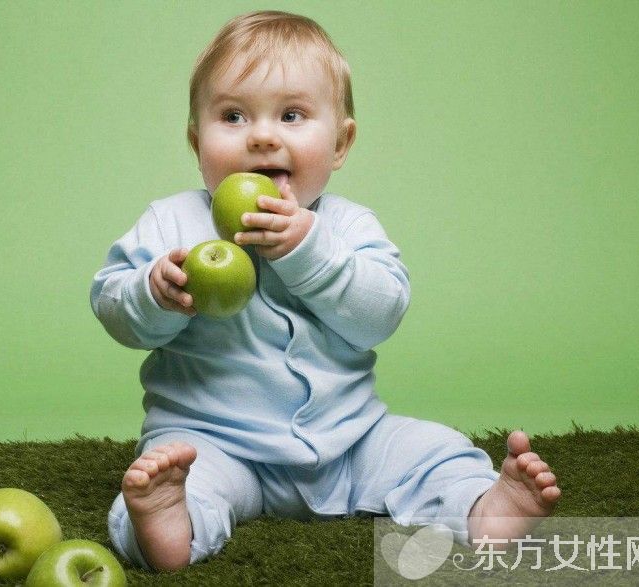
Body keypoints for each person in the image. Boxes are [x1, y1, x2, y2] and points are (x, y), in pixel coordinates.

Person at [90, 10, 560, 572]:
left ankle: (485, 506)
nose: (262, 134)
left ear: (341, 143)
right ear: (197, 142)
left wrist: (307, 250)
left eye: (292, 115)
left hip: (351, 441)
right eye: (233, 116)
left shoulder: (349, 228)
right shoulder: (171, 224)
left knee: (432, 450)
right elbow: (112, 305)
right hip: (215, 443)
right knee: (183, 479)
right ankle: (168, 525)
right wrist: (153, 293)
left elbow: (381, 313)